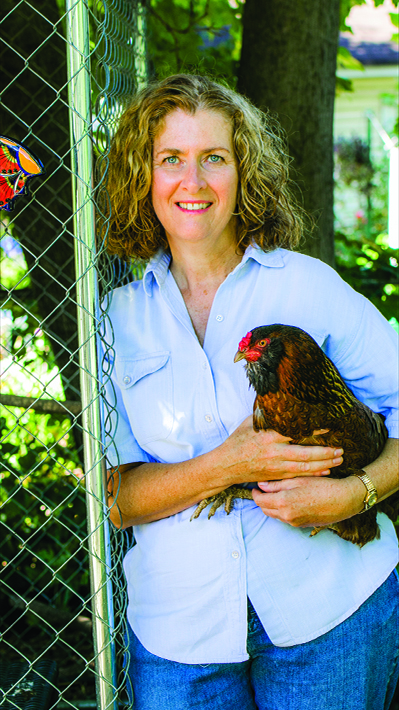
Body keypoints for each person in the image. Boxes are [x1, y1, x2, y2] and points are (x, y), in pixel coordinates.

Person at [103, 74, 399, 710]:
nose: (195, 181)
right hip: (181, 635)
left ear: (244, 172)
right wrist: (229, 465)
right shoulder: (117, 321)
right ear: (142, 177)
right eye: (171, 159)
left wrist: (352, 494)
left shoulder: (308, 287)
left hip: (330, 611)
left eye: (215, 157)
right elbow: (117, 499)